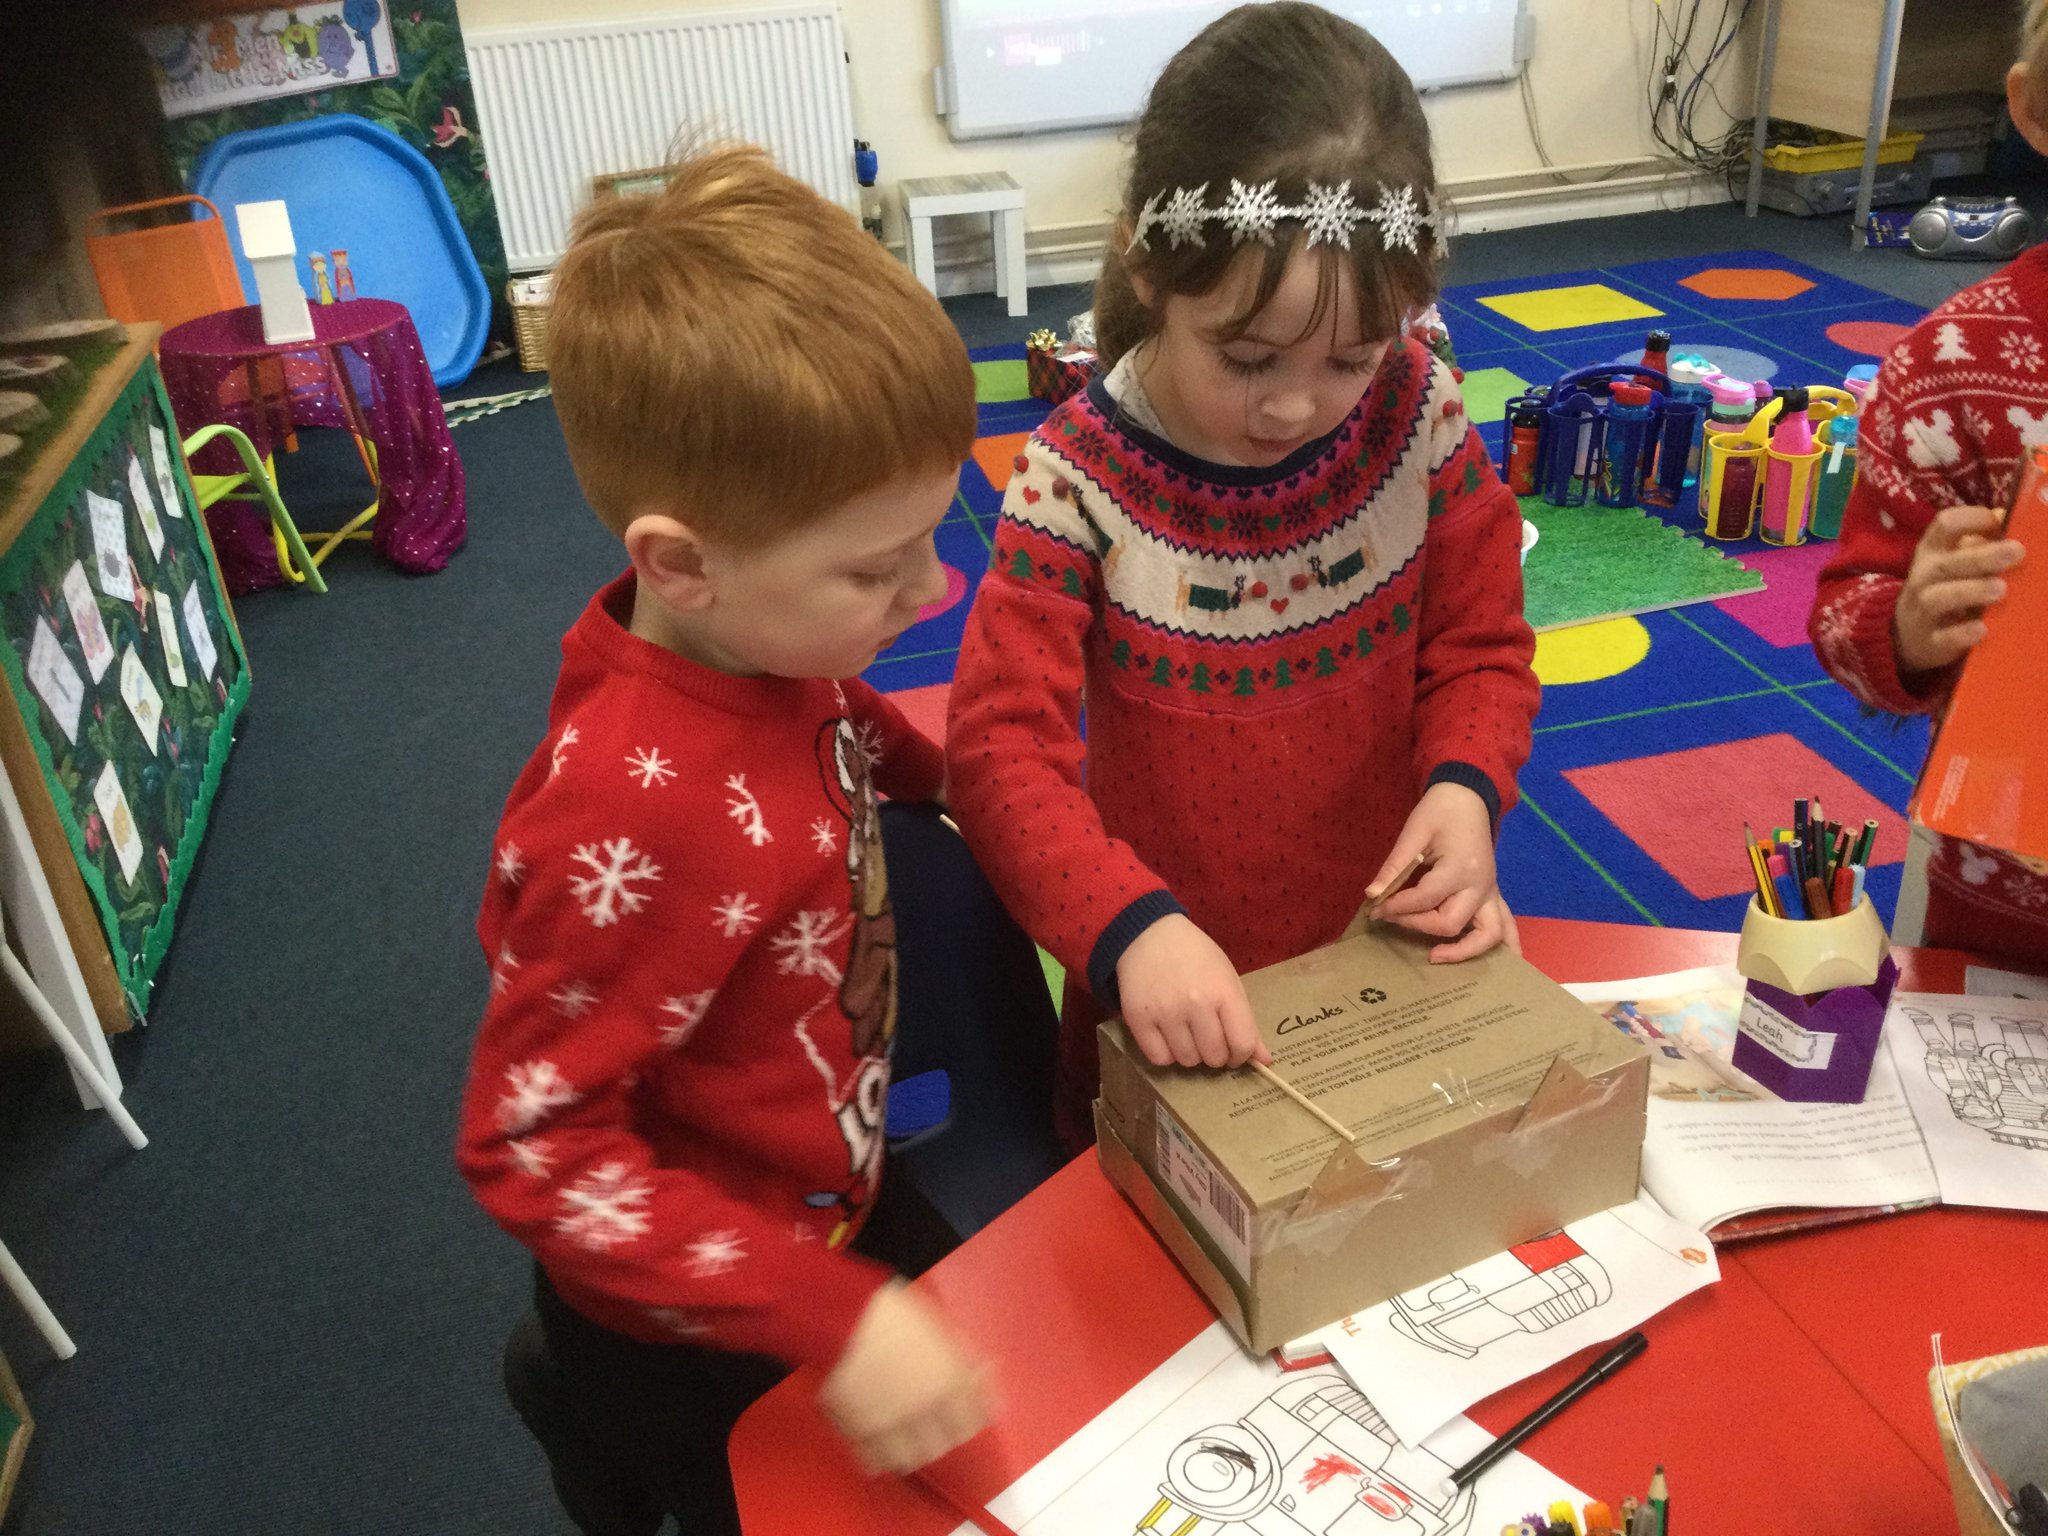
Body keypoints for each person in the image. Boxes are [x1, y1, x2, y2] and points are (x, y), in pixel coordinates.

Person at [454, 144, 998, 1536]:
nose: (934, 592)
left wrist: (960, 783)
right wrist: (832, 1316)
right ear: (679, 561)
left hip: (823, 1194)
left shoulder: (759, 635)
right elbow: (533, 1150)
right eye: (878, 571)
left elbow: (833, 716)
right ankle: (571, 1410)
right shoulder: (630, 821)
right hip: (682, 1326)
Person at [945, 2, 1541, 1148]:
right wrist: (1125, 931)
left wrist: (1465, 789)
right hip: (1175, 996)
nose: (1291, 405)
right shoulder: (1074, 482)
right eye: (1245, 357)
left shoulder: (1414, 414)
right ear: (1147, 263)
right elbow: (996, 752)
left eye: (1347, 360)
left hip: (1385, 962)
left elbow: (1477, 649)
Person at [1809, 5, 2048, 962]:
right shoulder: (1953, 364)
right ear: (2032, 111)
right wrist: (1905, 624)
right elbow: (1847, 612)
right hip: (2006, 913)